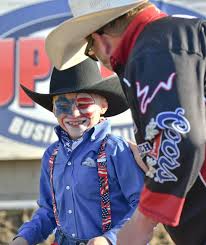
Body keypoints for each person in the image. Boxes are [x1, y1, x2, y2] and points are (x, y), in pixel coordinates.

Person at [45, 0, 206, 244]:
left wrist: (142, 221)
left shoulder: (153, 47)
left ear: (101, 39)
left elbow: (181, 136)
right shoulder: (173, 39)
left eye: (90, 50)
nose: (97, 57)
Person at [10, 58, 145, 245]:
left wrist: (109, 239)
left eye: (83, 103)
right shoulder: (52, 156)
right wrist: (25, 237)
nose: (73, 114)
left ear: (103, 106)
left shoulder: (115, 150)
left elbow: (141, 205)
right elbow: (49, 210)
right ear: (53, 109)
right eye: (63, 105)